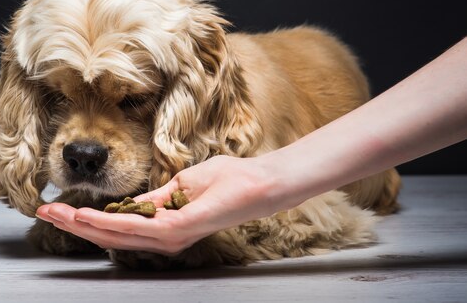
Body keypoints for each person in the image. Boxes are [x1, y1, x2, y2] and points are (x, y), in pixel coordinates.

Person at [36, 37, 467, 256]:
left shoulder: (232, 95)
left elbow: (331, 217)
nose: (83, 147)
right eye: (60, 97)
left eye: (132, 99)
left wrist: (209, 242)